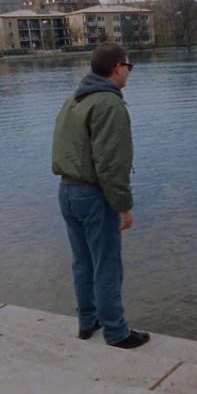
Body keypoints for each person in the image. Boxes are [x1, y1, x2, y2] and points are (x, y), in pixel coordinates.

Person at [52, 43, 149, 349]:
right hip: (94, 195)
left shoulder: (74, 99)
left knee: (83, 262)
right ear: (117, 67)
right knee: (107, 264)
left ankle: (87, 321)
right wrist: (123, 206)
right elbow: (111, 162)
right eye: (129, 67)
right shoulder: (109, 104)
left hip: (67, 191)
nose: (129, 73)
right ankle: (116, 331)